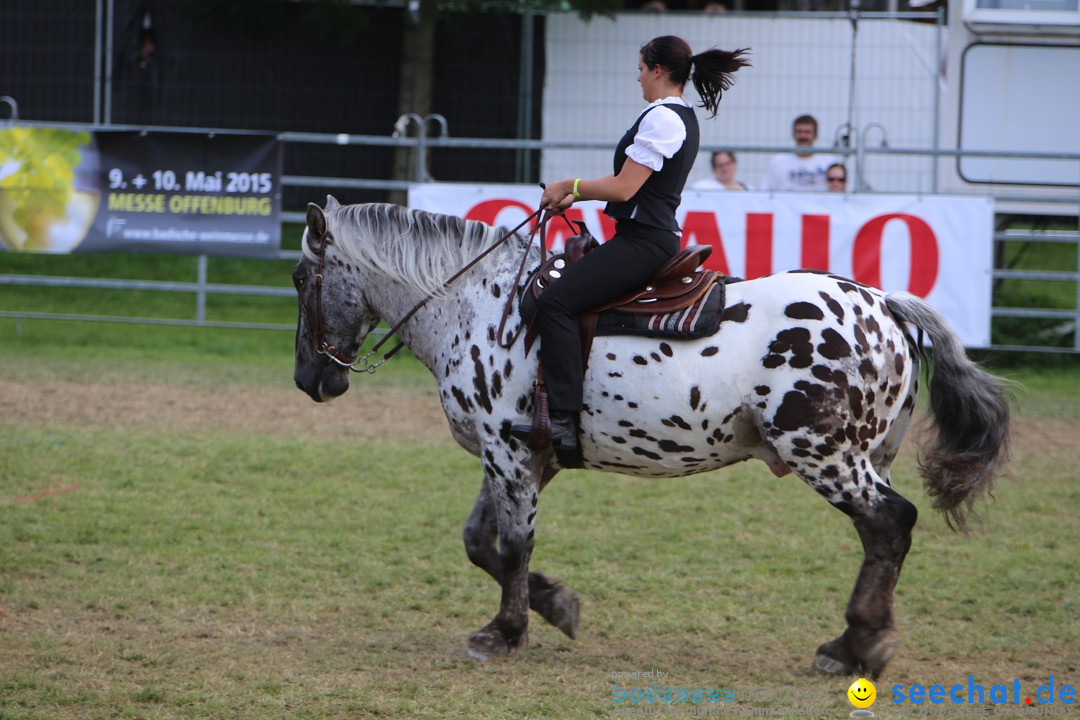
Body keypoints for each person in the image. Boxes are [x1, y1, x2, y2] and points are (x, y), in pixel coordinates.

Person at [511, 36, 750, 452]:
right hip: (641, 236)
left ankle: (562, 421)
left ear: (658, 70)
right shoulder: (675, 115)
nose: (637, 77)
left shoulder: (664, 119)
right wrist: (576, 195)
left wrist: (570, 184)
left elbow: (624, 188)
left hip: (645, 242)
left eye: (641, 68)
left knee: (556, 302)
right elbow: (630, 188)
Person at [762, 114, 838, 192]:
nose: (803, 136)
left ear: (816, 135)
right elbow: (767, 191)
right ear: (793, 134)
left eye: (807, 132)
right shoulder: (778, 161)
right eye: (799, 131)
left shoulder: (829, 161)